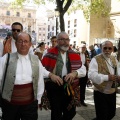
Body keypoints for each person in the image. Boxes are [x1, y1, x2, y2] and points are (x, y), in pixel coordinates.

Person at [0, 32, 62, 120]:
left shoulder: (35, 60)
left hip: (30, 104)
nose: (23, 44)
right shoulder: (6, 58)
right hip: (9, 105)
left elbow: (41, 75)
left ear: (30, 44)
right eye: (20, 41)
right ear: (16, 43)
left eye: (26, 41)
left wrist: (38, 100)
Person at [42, 31, 86, 120]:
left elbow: (83, 69)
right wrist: (51, 75)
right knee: (56, 113)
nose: (66, 42)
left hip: (69, 86)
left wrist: (75, 73)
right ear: (57, 41)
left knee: (71, 112)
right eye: (62, 40)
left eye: (67, 40)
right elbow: (40, 69)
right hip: (54, 87)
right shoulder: (49, 54)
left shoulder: (74, 54)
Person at [88, 41, 120, 120]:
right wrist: (107, 77)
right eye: (105, 48)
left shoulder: (114, 59)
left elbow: (118, 70)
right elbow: (91, 75)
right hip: (100, 93)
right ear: (101, 48)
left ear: (112, 49)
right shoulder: (95, 59)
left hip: (112, 92)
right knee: (102, 116)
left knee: (112, 114)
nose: (107, 50)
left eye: (109, 48)